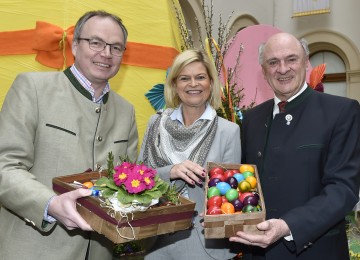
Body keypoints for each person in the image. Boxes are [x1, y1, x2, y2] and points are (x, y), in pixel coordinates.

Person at [0, 10, 138, 260]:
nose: (106, 53)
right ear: (74, 45)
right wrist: (50, 205)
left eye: (116, 47)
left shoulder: (126, 111)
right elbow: (5, 168)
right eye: (96, 42)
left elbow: (128, 181)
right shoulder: (32, 88)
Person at [230, 32, 360, 259]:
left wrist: (287, 226)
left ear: (306, 62)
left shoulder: (341, 111)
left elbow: (343, 190)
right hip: (257, 252)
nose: (282, 69)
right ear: (263, 70)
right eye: (273, 62)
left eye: (291, 59)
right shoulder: (250, 119)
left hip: (315, 251)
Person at [138, 49, 242, 259]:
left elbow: (228, 193)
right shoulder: (155, 124)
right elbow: (137, 178)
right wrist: (171, 171)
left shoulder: (228, 131)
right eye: (185, 78)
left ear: (211, 83)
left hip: (203, 243)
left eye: (200, 77)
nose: (193, 84)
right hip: (157, 241)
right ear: (175, 85)